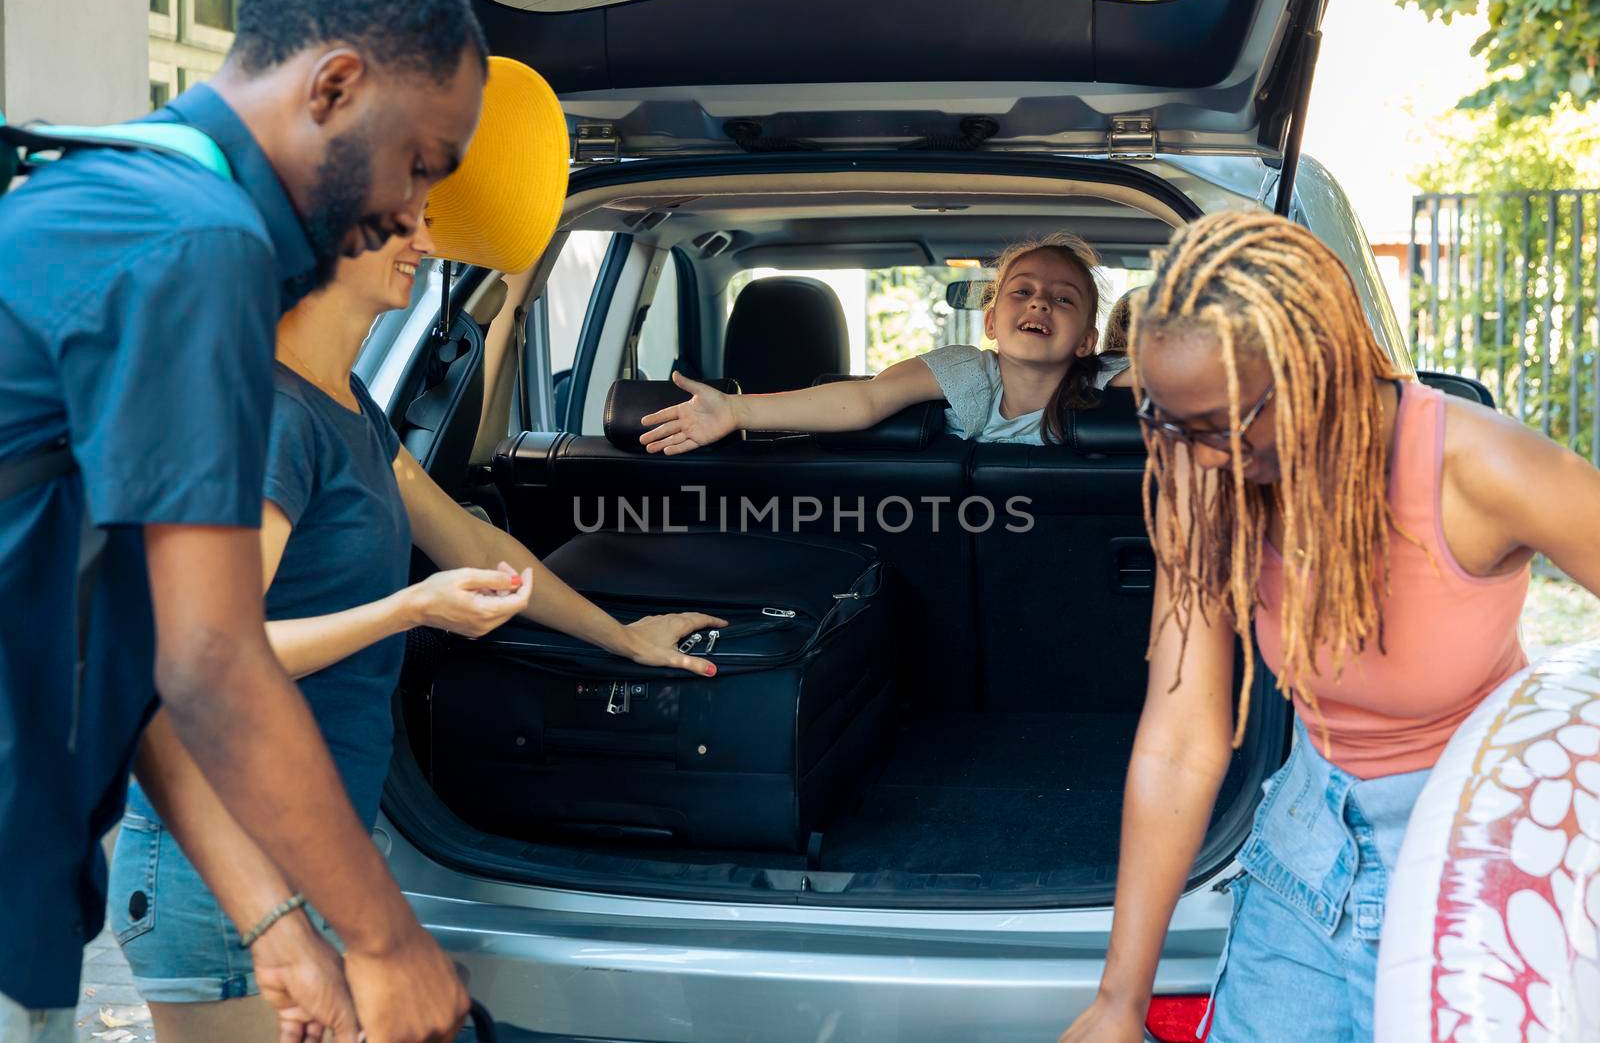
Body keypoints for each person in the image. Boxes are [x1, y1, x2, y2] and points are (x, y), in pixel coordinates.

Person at [0, 0, 491, 1040]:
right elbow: (214, 659)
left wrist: (280, 927)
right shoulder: (200, 246)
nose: (414, 217)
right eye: (419, 165)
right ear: (336, 86)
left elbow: (144, 652)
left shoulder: (127, 191)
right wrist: (385, 939)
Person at [107, 216, 726, 1042]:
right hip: (227, 876)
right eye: (398, 219)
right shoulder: (269, 416)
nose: (427, 243)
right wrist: (410, 608)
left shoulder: (348, 401)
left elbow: (473, 542)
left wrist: (621, 636)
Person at [1056, 211, 1600, 1042]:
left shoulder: (1481, 469)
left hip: (1472, 866)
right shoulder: (1205, 474)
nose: (1195, 458)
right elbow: (1180, 737)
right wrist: (1120, 997)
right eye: (1168, 422)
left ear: (1315, 369)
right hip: (1303, 862)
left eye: (1219, 425)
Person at [638, 233, 1132, 452]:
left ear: (1088, 341)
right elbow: (867, 397)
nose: (1039, 303)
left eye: (1063, 300)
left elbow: (1196, 379)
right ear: (990, 324)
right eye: (1021, 291)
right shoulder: (966, 371)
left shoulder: (1108, 380)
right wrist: (737, 411)